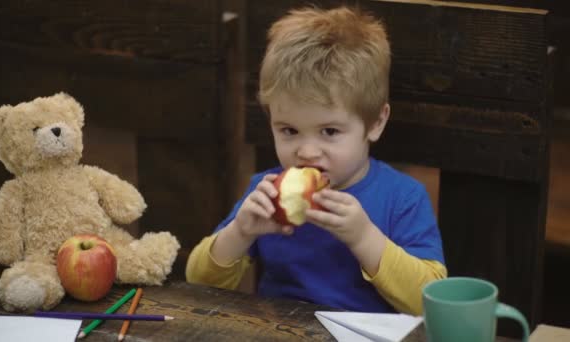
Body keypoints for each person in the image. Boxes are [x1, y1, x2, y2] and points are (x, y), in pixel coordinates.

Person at [186, 5, 446, 315]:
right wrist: (240, 232)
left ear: (375, 123)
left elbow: (429, 301)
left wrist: (365, 237)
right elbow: (198, 281)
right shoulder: (266, 191)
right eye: (290, 130)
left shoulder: (402, 197)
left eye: (330, 131)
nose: (307, 152)